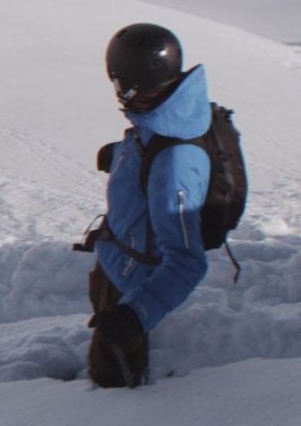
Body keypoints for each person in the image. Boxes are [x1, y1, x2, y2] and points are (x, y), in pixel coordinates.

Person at [86, 23, 210, 387]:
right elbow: (151, 148)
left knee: (114, 384)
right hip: (118, 259)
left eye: (119, 83)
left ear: (134, 87)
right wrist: (120, 154)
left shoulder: (175, 165)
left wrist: (133, 315)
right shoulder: (167, 112)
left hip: (132, 287)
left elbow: (187, 262)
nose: (117, 92)